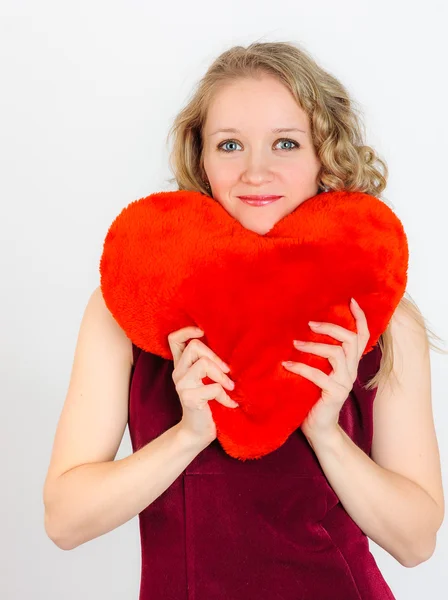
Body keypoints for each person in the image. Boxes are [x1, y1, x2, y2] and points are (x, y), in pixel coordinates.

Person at [43, 40, 445, 599]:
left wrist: (326, 433)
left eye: (286, 143)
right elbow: (64, 520)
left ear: (323, 157)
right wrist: (188, 435)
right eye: (230, 144)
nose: (256, 172)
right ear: (201, 160)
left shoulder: (382, 318)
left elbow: (417, 541)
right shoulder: (128, 310)